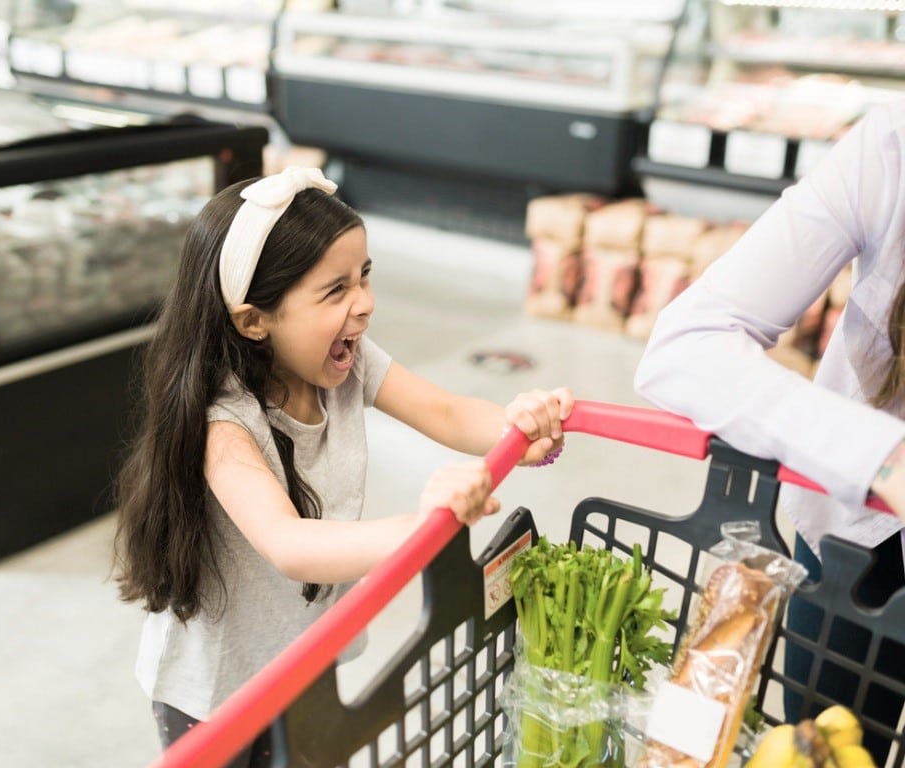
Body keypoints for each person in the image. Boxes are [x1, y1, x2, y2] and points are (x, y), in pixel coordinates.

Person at [111, 166, 573, 764]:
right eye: (336, 291)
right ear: (255, 320)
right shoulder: (223, 423)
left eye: (365, 277)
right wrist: (423, 526)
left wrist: (518, 426)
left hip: (305, 658)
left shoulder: (347, 366)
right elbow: (289, 544)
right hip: (215, 690)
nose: (366, 304)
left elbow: (445, 410)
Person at [634, 100, 905, 761]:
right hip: (856, 536)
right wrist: (884, 456)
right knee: (826, 741)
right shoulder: (892, 148)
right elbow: (684, 347)